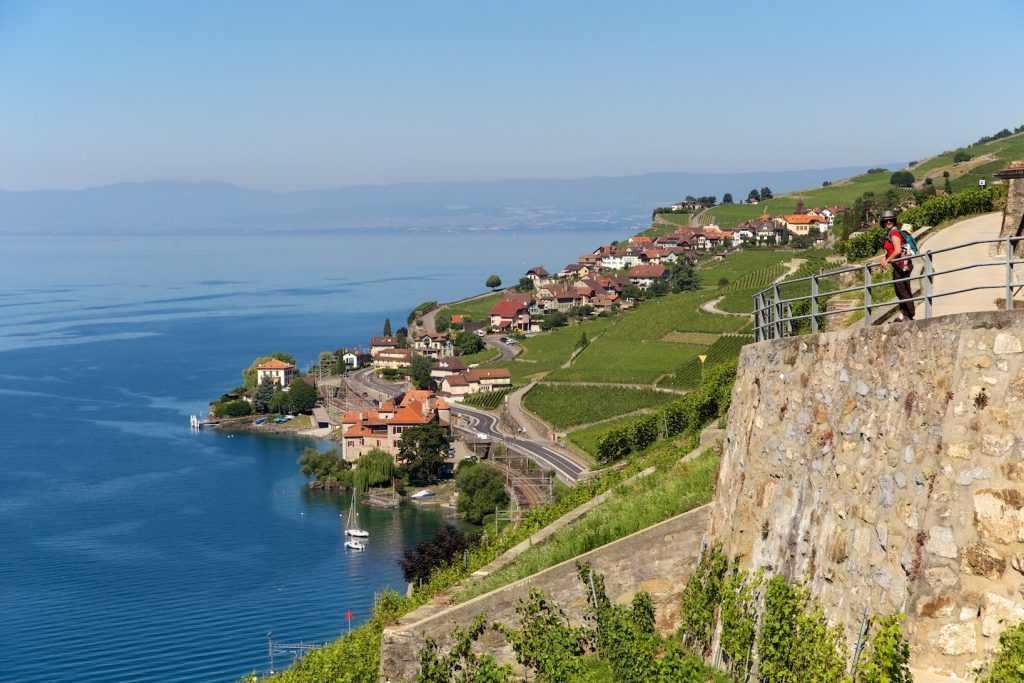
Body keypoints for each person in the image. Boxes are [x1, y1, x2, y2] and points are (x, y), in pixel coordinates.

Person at [878, 209, 915, 321]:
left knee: (904, 291)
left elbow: (898, 251)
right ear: (883, 223)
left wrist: (887, 260)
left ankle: (909, 316)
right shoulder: (891, 233)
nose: (888, 222)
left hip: (902, 266)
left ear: (894, 221)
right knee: (900, 291)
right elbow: (891, 250)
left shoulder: (894, 233)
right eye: (886, 221)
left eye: (890, 221)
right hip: (898, 266)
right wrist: (884, 258)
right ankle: (903, 315)